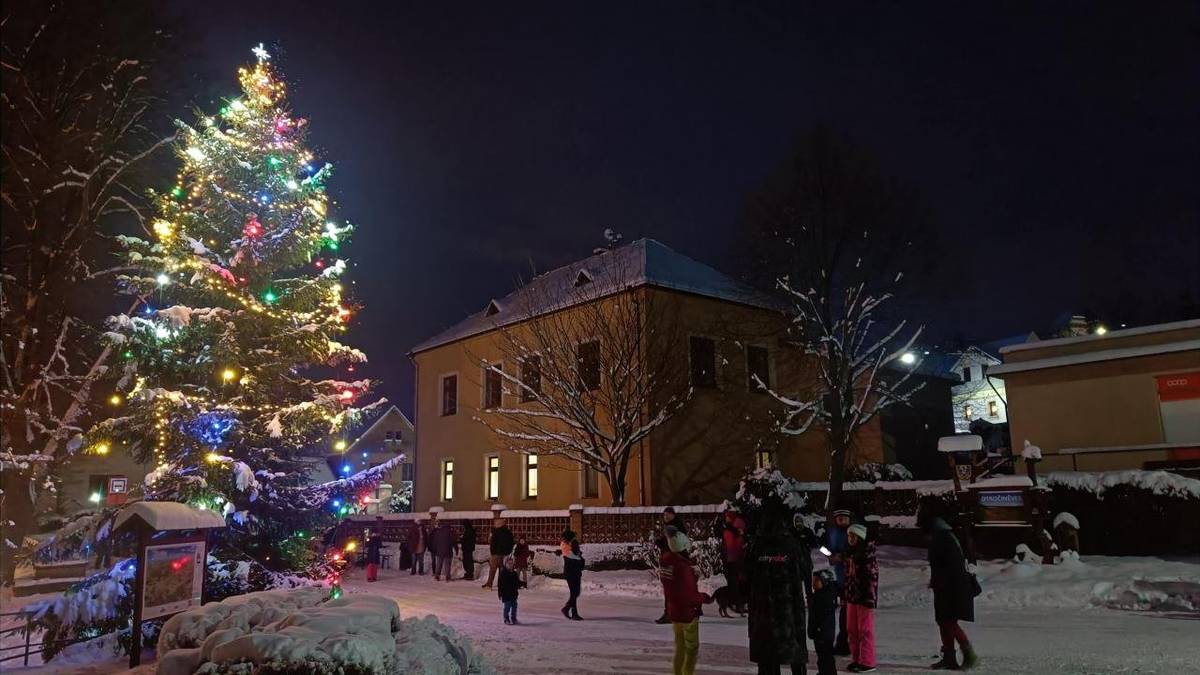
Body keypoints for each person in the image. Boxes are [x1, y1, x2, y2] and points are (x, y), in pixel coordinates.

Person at [746, 498, 808, 675]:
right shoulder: (791, 546)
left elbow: (746, 575)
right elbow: (804, 570)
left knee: (767, 661)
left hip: (763, 615)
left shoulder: (757, 547)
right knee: (794, 655)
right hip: (789, 612)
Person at [927, 515, 978, 670]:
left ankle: (968, 654)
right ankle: (950, 657)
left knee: (948, 621)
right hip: (951, 587)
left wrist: (938, 582)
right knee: (944, 621)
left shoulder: (942, 539)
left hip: (949, 588)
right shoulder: (949, 536)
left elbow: (944, 565)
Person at [661, 526, 713, 675]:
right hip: (688, 615)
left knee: (680, 648)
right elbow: (689, 595)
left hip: (675, 612)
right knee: (691, 650)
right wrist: (704, 597)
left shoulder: (666, 563)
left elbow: (675, 589)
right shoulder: (683, 568)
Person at [843, 523, 878, 673]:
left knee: (864, 630)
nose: (850, 539)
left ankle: (868, 661)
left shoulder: (866, 555)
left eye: (853, 536)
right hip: (853, 597)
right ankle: (857, 659)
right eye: (849, 536)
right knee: (852, 629)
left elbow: (869, 578)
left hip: (864, 598)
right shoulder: (852, 554)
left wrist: (865, 595)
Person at [821, 509, 853, 655]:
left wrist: (844, 556)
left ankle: (846, 642)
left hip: (852, 577)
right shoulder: (832, 533)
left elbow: (857, 549)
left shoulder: (852, 532)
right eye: (839, 519)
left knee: (849, 613)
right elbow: (823, 548)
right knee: (844, 612)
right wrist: (831, 556)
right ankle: (843, 642)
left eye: (844, 519)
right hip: (840, 578)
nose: (842, 521)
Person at [656, 506, 687, 623]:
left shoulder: (673, 527)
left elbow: (673, 546)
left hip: (673, 562)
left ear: (673, 515)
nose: (666, 517)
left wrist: (661, 543)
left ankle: (670, 614)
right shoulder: (674, 526)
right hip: (674, 561)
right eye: (664, 515)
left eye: (668, 514)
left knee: (671, 589)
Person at [809, 569, 839, 675]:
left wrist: (815, 630)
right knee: (824, 657)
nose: (813, 584)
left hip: (822, 633)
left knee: (825, 657)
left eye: (816, 581)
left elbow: (817, 617)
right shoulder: (825, 596)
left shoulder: (822, 598)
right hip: (824, 633)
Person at [722, 509, 748, 603]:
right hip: (732, 557)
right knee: (734, 580)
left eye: (727, 517)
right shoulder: (731, 528)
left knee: (735, 580)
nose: (726, 519)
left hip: (734, 558)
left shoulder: (734, 528)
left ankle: (737, 600)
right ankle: (736, 599)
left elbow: (734, 544)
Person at [483, 517, 515, 589]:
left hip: (496, 554)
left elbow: (493, 543)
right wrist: (509, 551)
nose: (495, 524)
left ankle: (489, 584)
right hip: (505, 554)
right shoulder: (508, 532)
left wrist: (492, 552)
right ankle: (501, 584)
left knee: (493, 569)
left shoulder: (496, 532)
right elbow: (511, 543)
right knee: (502, 569)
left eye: (496, 523)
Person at [560, 529, 585, 620]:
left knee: (574, 593)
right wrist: (580, 558)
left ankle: (571, 611)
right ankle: (569, 610)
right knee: (575, 592)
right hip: (573, 572)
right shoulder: (572, 544)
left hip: (570, 572)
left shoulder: (565, 545)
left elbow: (575, 555)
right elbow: (577, 556)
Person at [498, 556, 521, 625]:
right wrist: (500, 593)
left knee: (514, 606)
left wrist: (521, 583)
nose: (510, 565)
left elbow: (517, 582)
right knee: (507, 606)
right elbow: (500, 584)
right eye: (509, 564)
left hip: (513, 593)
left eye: (511, 564)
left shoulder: (514, 573)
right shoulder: (503, 573)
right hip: (506, 594)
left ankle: (513, 618)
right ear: (505, 564)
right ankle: (506, 618)